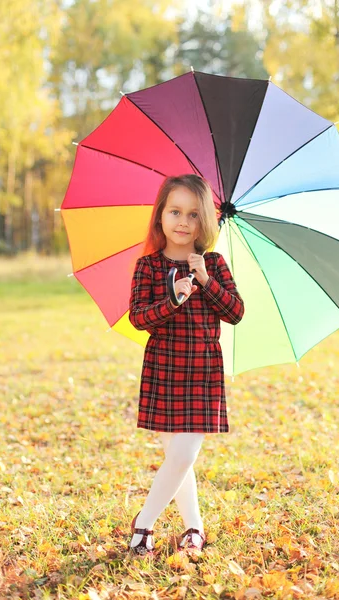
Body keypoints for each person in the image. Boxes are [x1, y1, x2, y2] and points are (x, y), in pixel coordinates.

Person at [128, 174, 244, 558]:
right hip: (163, 369)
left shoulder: (213, 264)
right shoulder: (147, 267)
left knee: (184, 456)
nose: (182, 221)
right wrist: (173, 300)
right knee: (178, 460)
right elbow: (139, 318)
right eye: (175, 211)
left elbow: (236, 312)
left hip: (202, 371)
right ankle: (194, 528)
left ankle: (143, 523)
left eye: (193, 214)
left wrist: (207, 281)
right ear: (160, 215)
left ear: (204, 222)